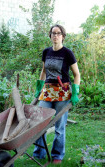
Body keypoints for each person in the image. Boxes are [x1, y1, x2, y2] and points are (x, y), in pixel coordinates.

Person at [33, 24, 80, 164]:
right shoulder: (46, 52)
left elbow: (77, 74)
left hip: (63, 92)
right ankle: (39, 152)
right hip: (47, 91)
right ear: (50, 35)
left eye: (58, 33)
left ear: (63, 36)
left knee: (59, 126)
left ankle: (57, 155)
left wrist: (75, 92)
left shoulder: (67, 53)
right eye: (53, 33)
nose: (55, 35)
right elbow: (44, 71)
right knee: (39, 122)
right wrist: (39, 86)